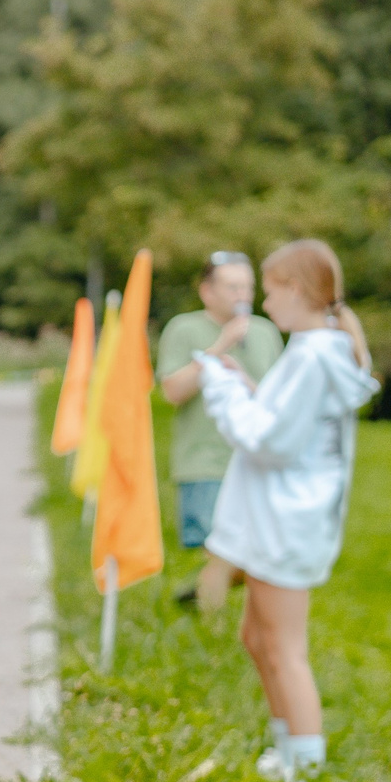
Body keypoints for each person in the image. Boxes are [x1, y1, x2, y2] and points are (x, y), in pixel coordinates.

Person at [188, 239, 379, 782]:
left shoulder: (315, 354)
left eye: (270, 291)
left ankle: (305, 770)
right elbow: (287, 419)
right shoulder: (312, 351)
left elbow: (269, 440)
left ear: (295, 290)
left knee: (285, 648)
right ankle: (287, 750)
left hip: (286, 525)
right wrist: (249, 387)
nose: (264, 305)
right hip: (279, 521)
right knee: (256, 636)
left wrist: (222, 388)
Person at [157, 252, 285, 613]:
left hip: (257, 461)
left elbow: (279, 404)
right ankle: (212, 637)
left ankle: (199, 595)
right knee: (222, 554)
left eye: (247, 286)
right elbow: (172, 392)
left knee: (257, 558)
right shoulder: (184, 329)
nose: (242, 294)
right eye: (232, 286)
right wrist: (218, 349)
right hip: (204, 463)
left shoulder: (266, 332)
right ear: (206, 291)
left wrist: (245, 381)